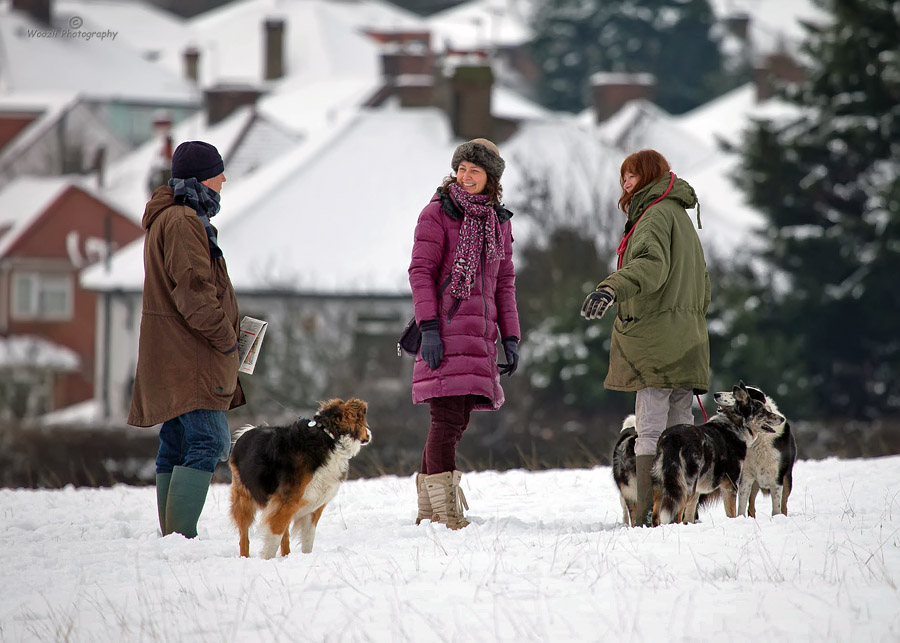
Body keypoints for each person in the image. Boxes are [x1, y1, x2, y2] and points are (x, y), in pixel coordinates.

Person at [581, 149, 710, 527]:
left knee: (649, 427)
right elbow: (704, 285)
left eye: (633, 175)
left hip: (656, 338)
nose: (626, 182)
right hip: (688, 338)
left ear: (651, 176)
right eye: (623, 176)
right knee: (680, 426)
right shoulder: (679, 216)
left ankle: (643, 515)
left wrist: (611, 289)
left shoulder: (653, 216)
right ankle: (680, 512)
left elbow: (650, 267)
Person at [128, 140, 245, 539]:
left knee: (177, 439)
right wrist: (228, 339)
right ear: (201, 178)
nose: (224, 179)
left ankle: (173, 537)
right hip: (191, 353)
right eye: (218, 172)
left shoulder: (173, 216)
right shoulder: (182, 221)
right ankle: (181, 535)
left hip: (175, 351)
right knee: (211, 440)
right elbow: (194, 291)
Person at [408, 138, 521, 529]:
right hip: (446, 328)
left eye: (475, 170)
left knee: (453, 419)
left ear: (491, 177)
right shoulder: (437, 213)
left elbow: (504, 282)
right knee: (448, 417)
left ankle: (430, 507)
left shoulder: (498, 221)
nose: (466, 176)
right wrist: (430, 328)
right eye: (462, 168)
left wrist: (511, 336)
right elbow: (420, 273)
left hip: (481, 336)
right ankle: (444, 511)